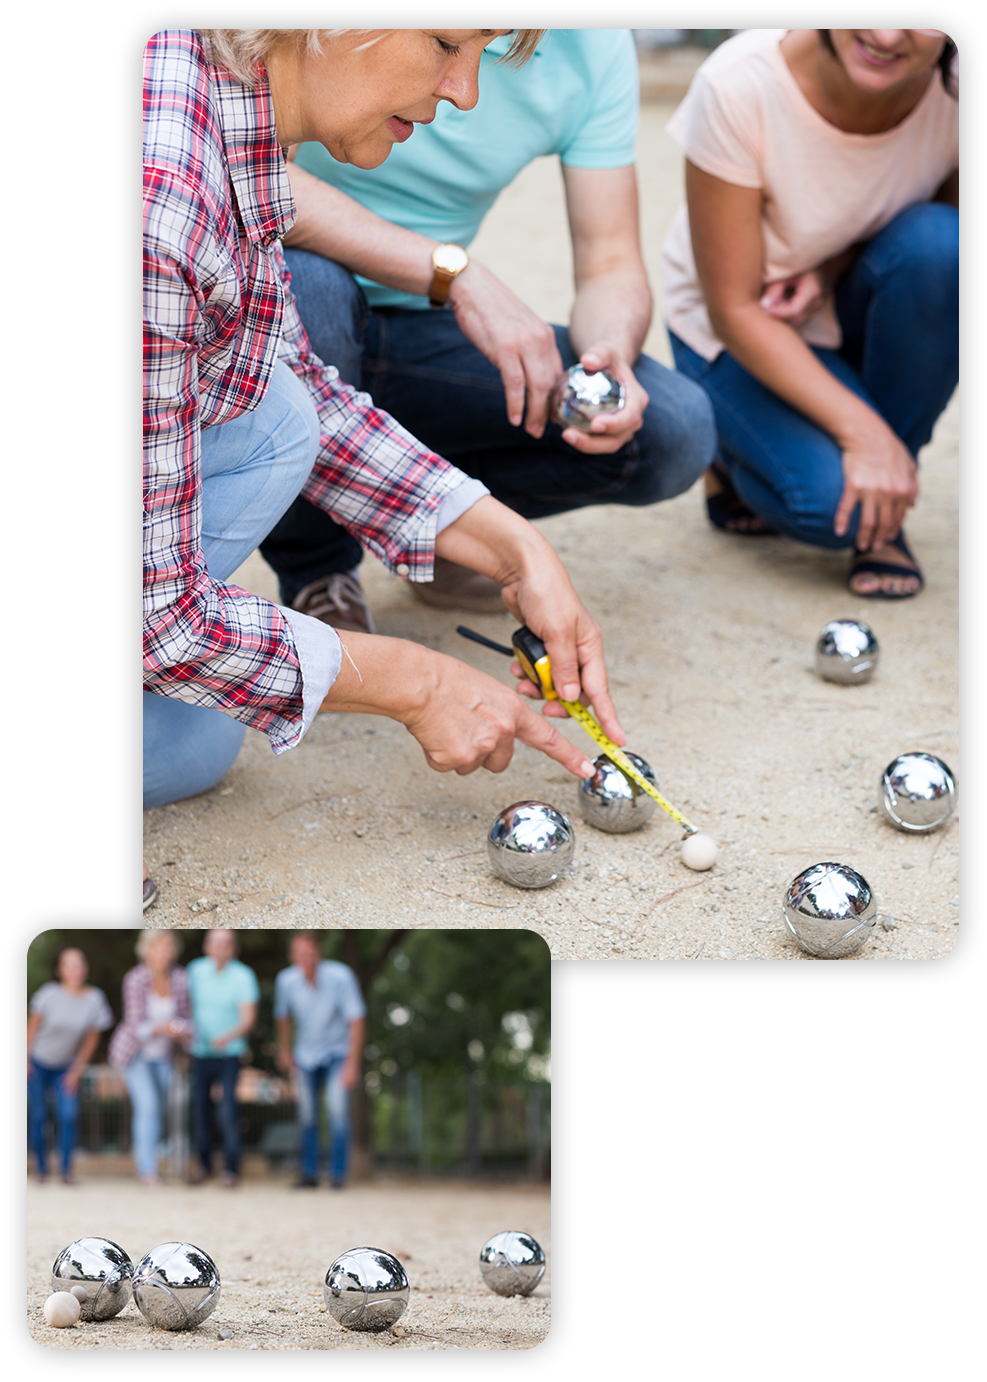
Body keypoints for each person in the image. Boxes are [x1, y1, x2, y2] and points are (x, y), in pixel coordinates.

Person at [143, 29, 622, 910]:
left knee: (197, 744)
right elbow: (161, 624)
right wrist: (419, 681)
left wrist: (517, 552)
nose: (466, 92)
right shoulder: (164, 194)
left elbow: (299, 391)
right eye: (446, 42)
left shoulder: (233, 118)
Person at [264, 28, 716, 628]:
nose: (466, 94)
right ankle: (319, 571)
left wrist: (609, 354)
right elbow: (254, 170)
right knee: (313, 290)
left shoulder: (598, 47)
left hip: (423, 329)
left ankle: (446, 531)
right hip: (301, 301)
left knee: (672, 430)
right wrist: (455, 273)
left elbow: (610, 261)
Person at [661, 29, 958, 597]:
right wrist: (865, 433)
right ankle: (726, 453)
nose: (887, 33)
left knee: (949, 249)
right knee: (828, 511)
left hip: (845, 294)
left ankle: (886, 491)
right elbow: (734, 307)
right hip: (740, 323)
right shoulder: (738, 83)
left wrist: (827, 270)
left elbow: (945, 238)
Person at [274, 933, 366, 1188]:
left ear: (319, 953)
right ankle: (309, 1173)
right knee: (307, 1115)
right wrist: (285, 1050)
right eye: (299, 953)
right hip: (305, 1054)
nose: (305, 959)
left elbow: (356, 1021)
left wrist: (352, 1064)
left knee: (337, 1111)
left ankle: (338, 1175)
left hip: (338, 1053)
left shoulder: (341, 977)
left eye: (310, 952)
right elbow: (282, 1016)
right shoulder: (286, 981)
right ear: (292, 956)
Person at [109, 932, 191, 1188]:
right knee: (148, 1107)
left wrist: (182, 1030)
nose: (164, 953)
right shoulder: (135, 979)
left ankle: (152, 1163)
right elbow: (136, 1026)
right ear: (147, 951)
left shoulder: (180, 979)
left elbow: (186, 1017)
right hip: (135, 1055)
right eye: (159, 948)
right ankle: (148, 1171)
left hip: (164, 1055)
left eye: (168, 948)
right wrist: (164, 1027)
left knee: (163, 1110)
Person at [27, 946, 113, 1184]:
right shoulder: (48, 994)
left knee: (68, 1115)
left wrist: (77, 1070)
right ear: (60, 970)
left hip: (66, 1065)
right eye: (71, 964)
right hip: (38, 1062)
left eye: (81, 963)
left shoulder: (95, 999)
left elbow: (92, 1037)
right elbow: (32, 1027)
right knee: (39, 1116)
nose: (77, 969)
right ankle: (41, 1169)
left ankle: (66, 1171)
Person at [186, 930, 259, 1187]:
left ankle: (232, 1169)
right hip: (200, 1052)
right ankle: (204, 1165)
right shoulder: (194, 971)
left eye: (226, 944)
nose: (220, 948)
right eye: (216, 943)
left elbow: (248, 1018)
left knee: (227, 1111)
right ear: (207, 946)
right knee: (200, 1111)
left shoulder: (243, 976)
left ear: (233, 949)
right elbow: (185, 1006)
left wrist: (226, 1037)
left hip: (230, 1052)